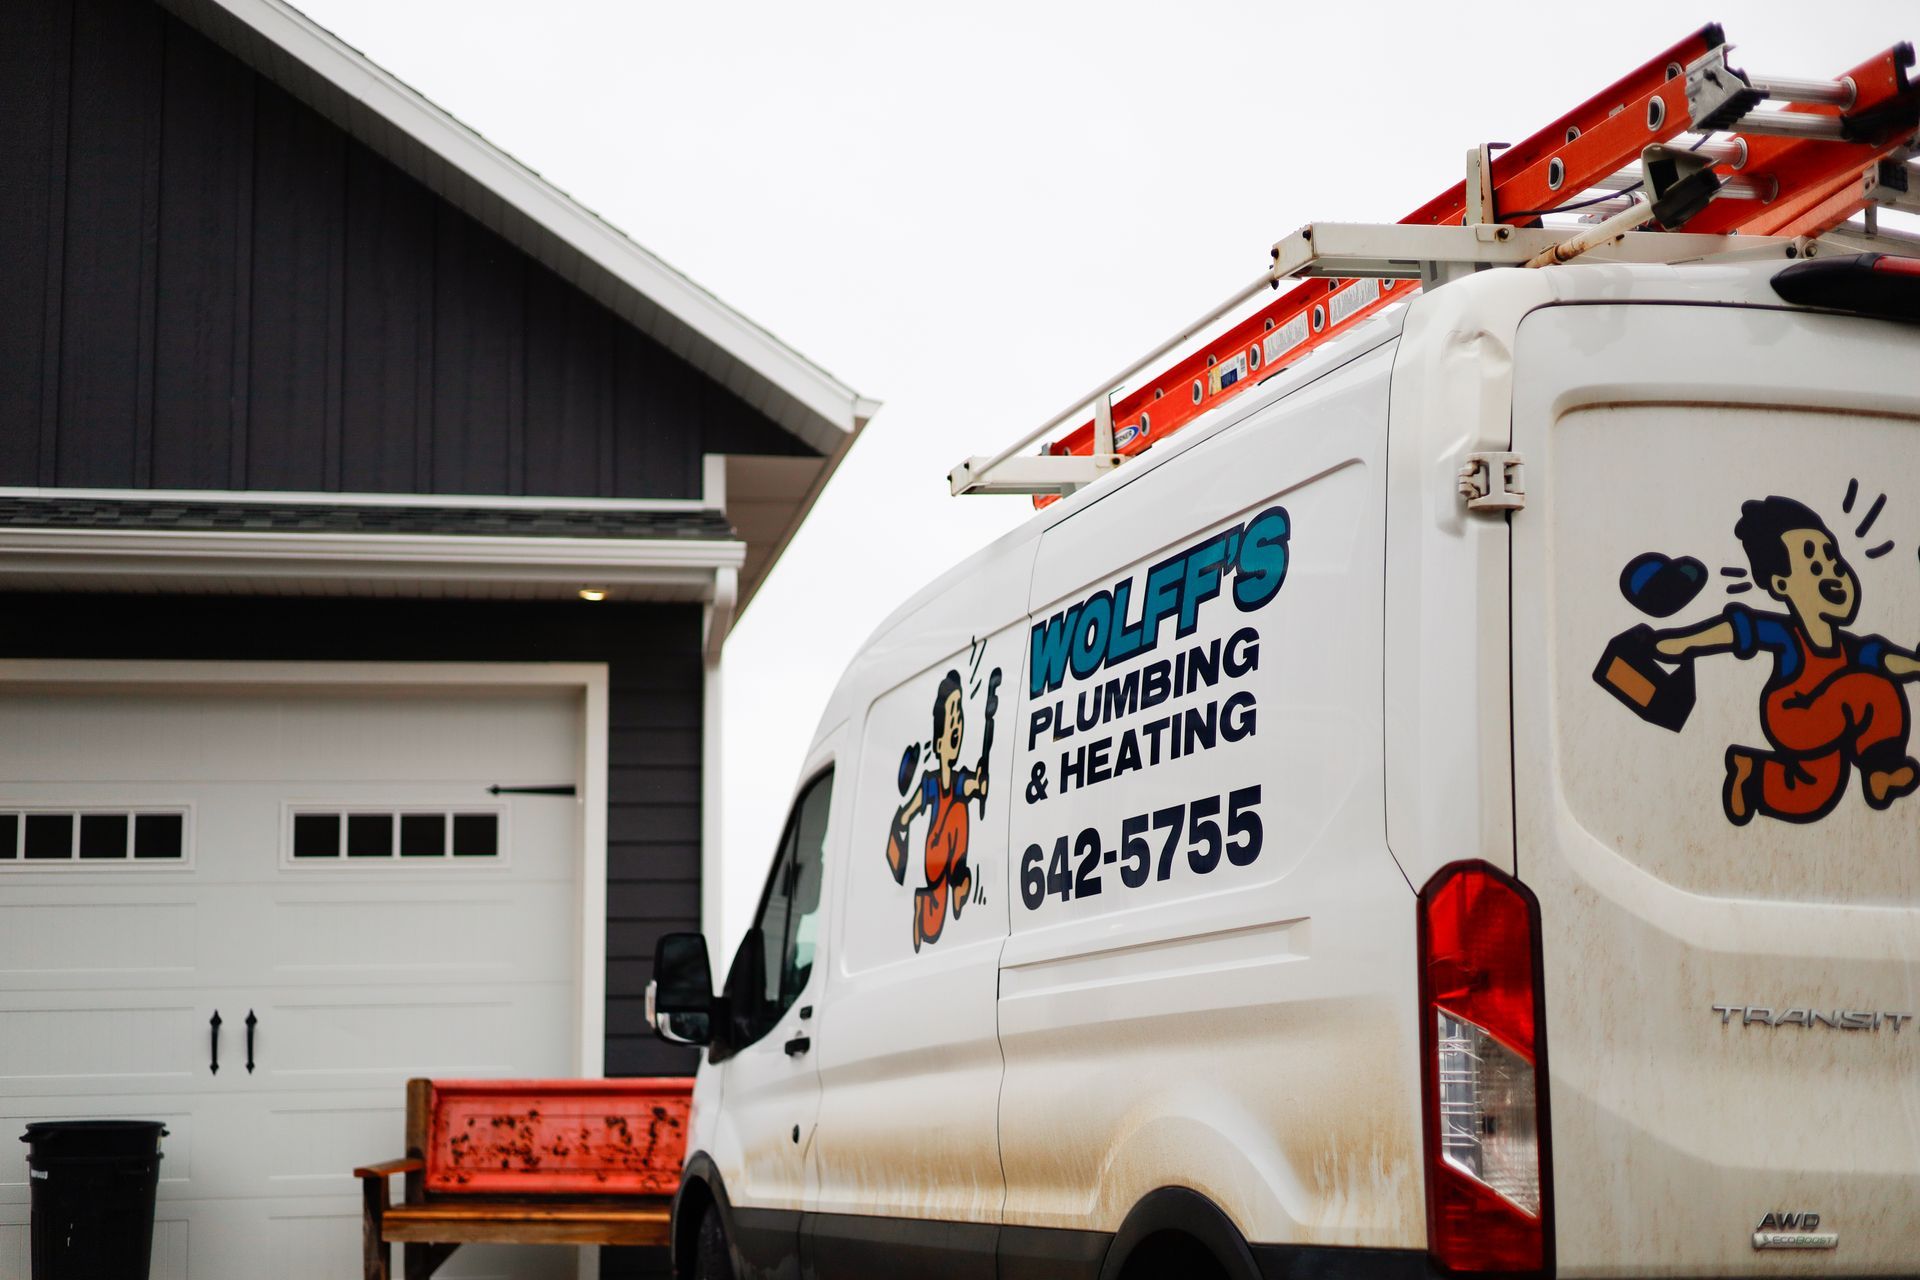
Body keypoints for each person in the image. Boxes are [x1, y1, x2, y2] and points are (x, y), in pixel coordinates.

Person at [1653, 496, 1920, 824]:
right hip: (1794, 712)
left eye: (1834, 561)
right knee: (1871, 689)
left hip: (1830, 722)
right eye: (1815, 567)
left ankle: (1751, 778)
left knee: (1817, 789)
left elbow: (1884, 659)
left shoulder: (1848, 648)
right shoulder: (1788, 636)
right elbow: (1737, 630)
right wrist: (1685, 642)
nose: (1833, 574)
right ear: (1781, 584)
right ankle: (1882, 768)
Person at [885, 670, 989, 949]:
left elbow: (973, 787)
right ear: (939, 741)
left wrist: (980, 783)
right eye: (952, 719)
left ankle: (958, 880)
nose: (957, 726)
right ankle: (943, 892)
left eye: (960, 718)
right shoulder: (930, 783)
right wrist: (900, 830)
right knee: (954, 811)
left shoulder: (959, 781)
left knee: (957, 811)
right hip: (935, 859)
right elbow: (906, 813)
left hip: (952, 857)